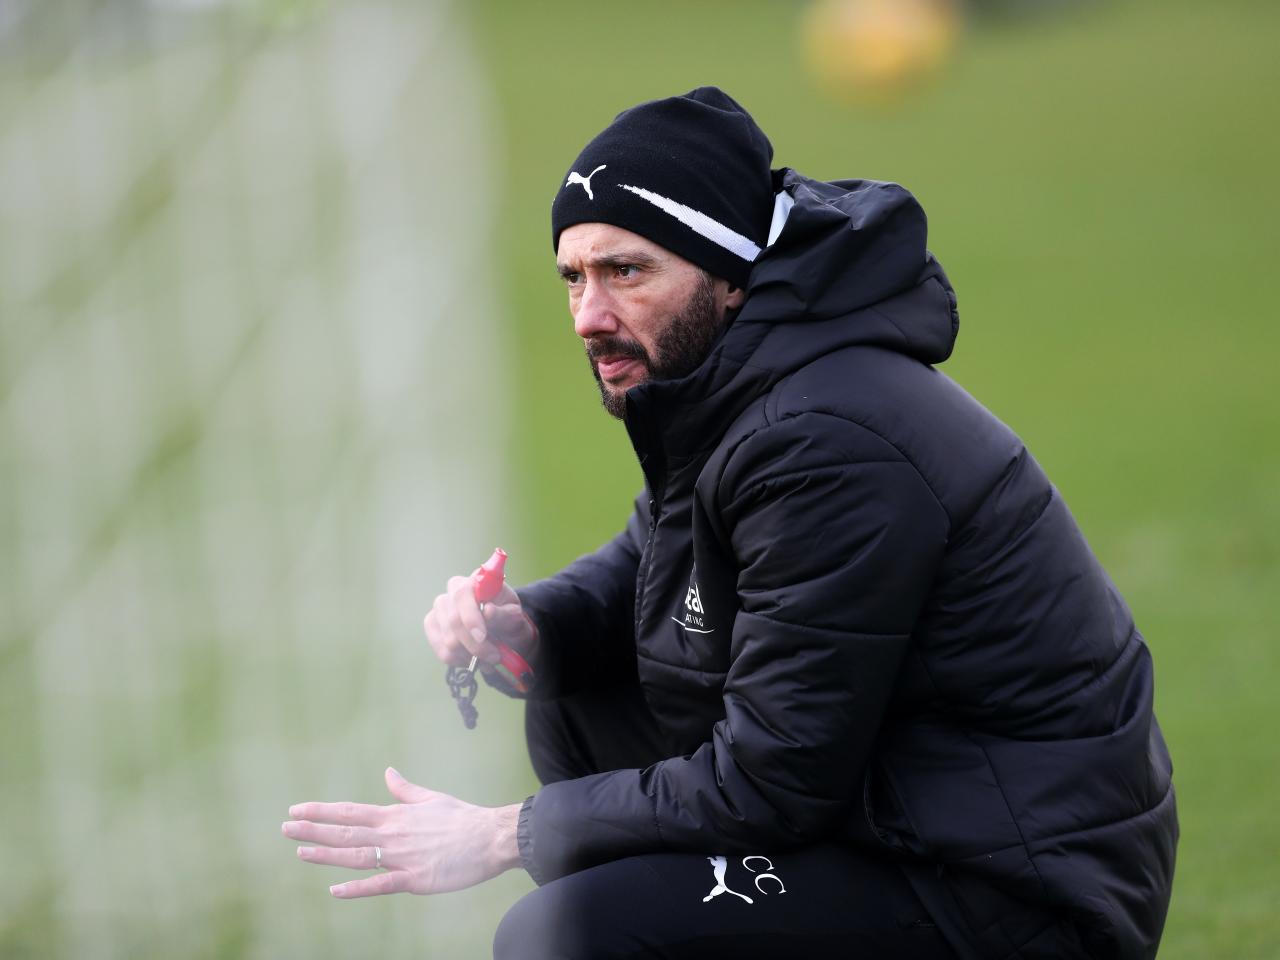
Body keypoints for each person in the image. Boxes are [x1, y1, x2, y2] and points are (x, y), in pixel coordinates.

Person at [284, 87, 1178, 959]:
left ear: (730, 277)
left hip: (1007, 887)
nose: (590, 317)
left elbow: (772, 778)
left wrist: (505, 832)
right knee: (576, 695)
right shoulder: (739, 384)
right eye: (573, 277)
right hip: (903, 814)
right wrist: (526, 625)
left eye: (626, 271)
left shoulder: (826, 440)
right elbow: (646, 569)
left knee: (567, 935)